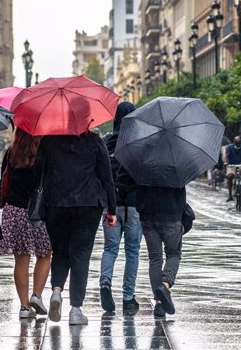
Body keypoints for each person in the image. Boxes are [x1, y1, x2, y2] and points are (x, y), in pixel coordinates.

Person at [34, 127, 117, 326]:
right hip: (88, 205)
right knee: (81, 254)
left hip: (56, 204)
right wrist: (111, 210)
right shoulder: (95, 141)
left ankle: (56, 291)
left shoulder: (49, 140)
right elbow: (107, 177)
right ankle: (76, 310)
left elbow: (38, 172)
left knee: (61, 252)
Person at [0, 129, 52, 319]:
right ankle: (36, 295)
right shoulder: (44, 151)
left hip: (14, 210)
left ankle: (23, 307)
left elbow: (4, 180)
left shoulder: (11, 152)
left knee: (21, 259)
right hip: (39, 211)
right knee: (45, 254)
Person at [99, 102, 142, 313]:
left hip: (111, 205)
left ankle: (105, 282)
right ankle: (128, 297)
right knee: (132, 251)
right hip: (134, 205)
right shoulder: (140, 143)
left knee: (110, 249)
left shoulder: (106, 142)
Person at [135, 184, 186, 318]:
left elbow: (137, 195)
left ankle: (159, 302)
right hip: (172, 216)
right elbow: (181, 197)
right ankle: (165, 285)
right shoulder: (177, 169)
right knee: (174, 254)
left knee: (155, 258)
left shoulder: (145, 167)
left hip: (148, 217)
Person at [225, 136, 241, 202]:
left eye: (239, 143)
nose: (237, 145)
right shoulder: (229, 147)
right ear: (234, 143)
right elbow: (226, 156)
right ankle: (230, 195)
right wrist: (226, 162)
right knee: (229, 176)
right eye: (236, 143)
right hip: (231, 165)